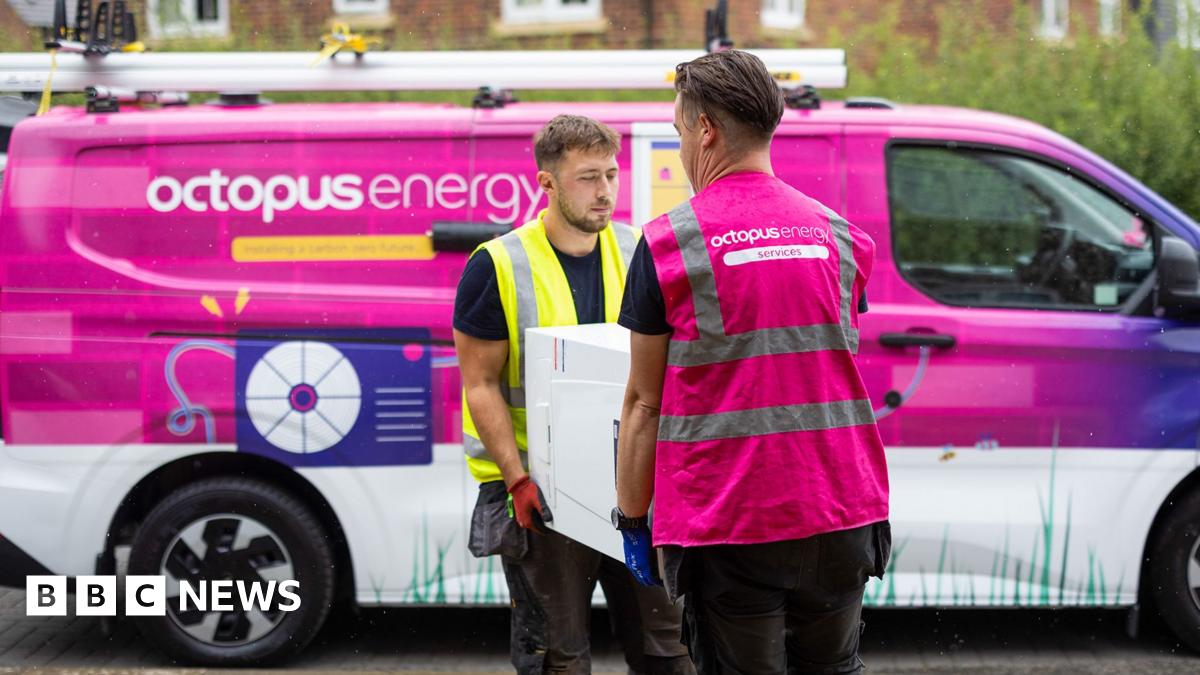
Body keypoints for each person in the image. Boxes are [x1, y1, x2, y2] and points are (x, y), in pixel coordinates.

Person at [613, 50, 891, 675]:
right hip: (842, 511)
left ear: (706, 128)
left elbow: (642, 404)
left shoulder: (668, 245)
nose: (683, 148)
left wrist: (631, 520)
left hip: (732, 522)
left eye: (680, 131)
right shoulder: (843, 237)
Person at [454, 114, 694, 675]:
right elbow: (482, 385)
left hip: (635, 483)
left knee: (669, 648)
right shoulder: (497, 265)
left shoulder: (640, 250)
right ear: (547, 183)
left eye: (611, 174)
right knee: (559, 657)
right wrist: (516, 480)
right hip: (542, 494)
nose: (605, 191)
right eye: (588, 178)